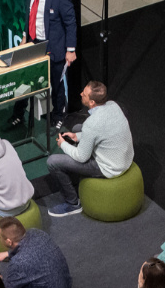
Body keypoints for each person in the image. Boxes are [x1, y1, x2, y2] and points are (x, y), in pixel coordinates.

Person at [45, 81, 134, 217]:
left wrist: (63, 144)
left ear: (92, 102)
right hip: (124, 158)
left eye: (84, 94)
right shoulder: (113, 105)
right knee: (77, 129)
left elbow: (82, 157)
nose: (81, 94)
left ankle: (73, 204)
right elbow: (102, 131)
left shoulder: (92, 123)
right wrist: (77, 137)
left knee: (52, 162)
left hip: (109, 167)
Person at [10, 0, 78, 131]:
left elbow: (70, 23)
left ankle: (58, 116)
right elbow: (30, 14)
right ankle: (18, 115)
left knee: (56, 83)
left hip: (54, 47)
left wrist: (71, 50)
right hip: (33, 43)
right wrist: (25, 36)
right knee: (24, 80)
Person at [0, 217, 72, 288]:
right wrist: (8, 254)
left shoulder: (19, 262)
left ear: (8, 241)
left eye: (0, 237)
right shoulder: (36, 233)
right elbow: (30, 249)